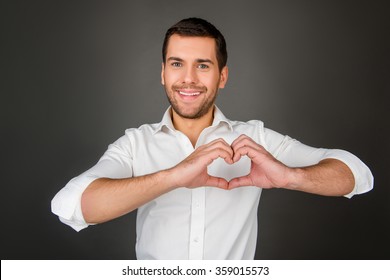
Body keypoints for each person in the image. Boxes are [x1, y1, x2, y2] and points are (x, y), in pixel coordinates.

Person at [51, 17, 374, 260]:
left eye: (202, 65)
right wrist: (173, 176)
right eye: (177, 64)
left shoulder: (254, 139)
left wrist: (290, 177)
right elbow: (71, 206)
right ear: (163, 72)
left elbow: (356, 174)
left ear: (223, 76)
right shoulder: (136, 144)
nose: (188, 79)